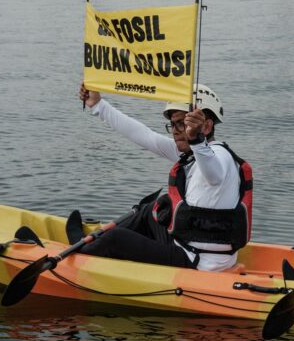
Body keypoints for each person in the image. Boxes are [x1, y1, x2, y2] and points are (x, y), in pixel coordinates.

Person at [77, 82, 253, 272]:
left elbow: (214, 175)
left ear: (207, 126)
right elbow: (143, 135)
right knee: (152, 209)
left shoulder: (220, 157)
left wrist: (196, 139)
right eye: (173, 124)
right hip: (189, 249)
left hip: (199, 264)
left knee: (115, 239)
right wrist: (97, 105)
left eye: (182, 123)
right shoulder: (193, 154)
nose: (176, 130)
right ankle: (93, 244)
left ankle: (81, 258)